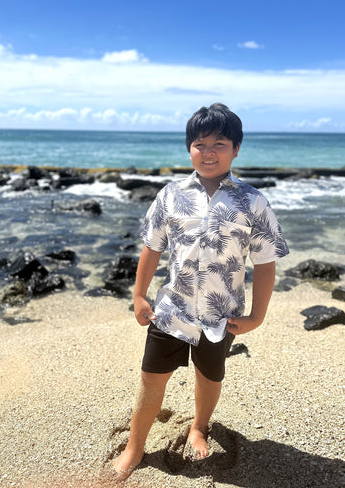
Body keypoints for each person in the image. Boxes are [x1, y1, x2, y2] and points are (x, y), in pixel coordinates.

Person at [112, 103, 289, 480]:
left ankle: (199, 426)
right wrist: (139, 294)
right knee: (150, 378)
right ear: (189, 148)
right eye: (199, 144)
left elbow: (266, 260)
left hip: (221, 315)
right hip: (171, 309)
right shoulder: (171, 194)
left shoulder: (252, 201)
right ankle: (134, 446)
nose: (208, 152)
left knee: (210, 377)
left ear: (236, 149)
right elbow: (152, 246)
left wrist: (257, 315)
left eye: (219, 144)